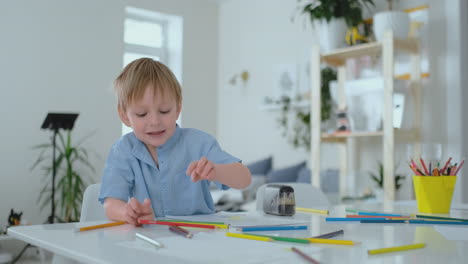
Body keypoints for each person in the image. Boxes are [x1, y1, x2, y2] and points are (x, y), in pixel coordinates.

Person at [99, 58, 251, 226]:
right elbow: (110, 204)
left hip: (198, 237)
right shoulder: (123, 150)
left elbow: (244, 179)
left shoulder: (199, 143)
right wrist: (128, 213)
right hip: (148, 239)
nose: (155, 121)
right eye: (142, 114)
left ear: (178, 108)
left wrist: (216, 171)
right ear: (124, 116)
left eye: (164, 111)